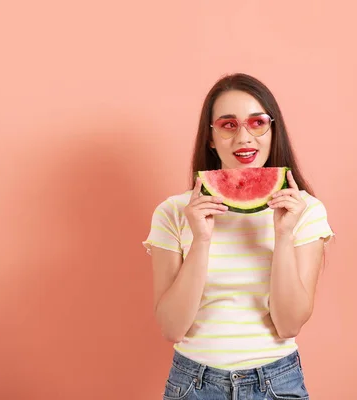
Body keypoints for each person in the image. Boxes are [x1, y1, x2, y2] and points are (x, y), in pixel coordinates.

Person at [142, 73, 334, 399]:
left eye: (257, 123)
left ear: (273, 131)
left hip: (277, 383)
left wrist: (283, 235)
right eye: (228, 125)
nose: (244, 137)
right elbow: (172, 328)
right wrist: (201, 239)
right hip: (194, 384)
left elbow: (288, 325)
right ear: (211, 138)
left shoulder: (306, 211)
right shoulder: (174, 212)